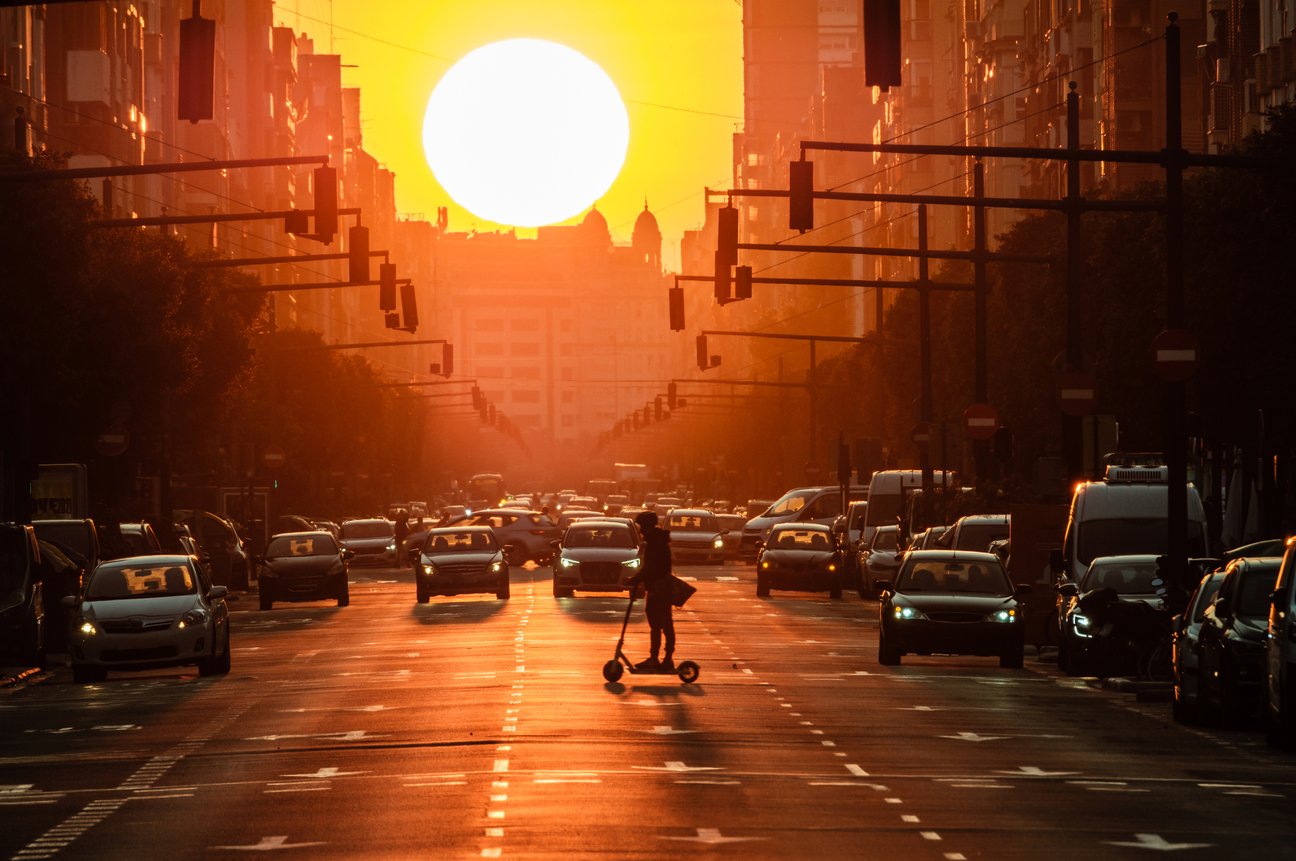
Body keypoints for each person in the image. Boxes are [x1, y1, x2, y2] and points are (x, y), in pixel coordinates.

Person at [628, 510, 675, 671]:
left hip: (659, 588)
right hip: (658, 587)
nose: (640, 530)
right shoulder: (656, 541)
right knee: (661, 624)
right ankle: (661, 658)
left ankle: (661, 658)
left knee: (661, 624)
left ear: (648, 526)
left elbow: (651, 568)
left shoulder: (656, 543)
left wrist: (635, 579)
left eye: (642, 527)